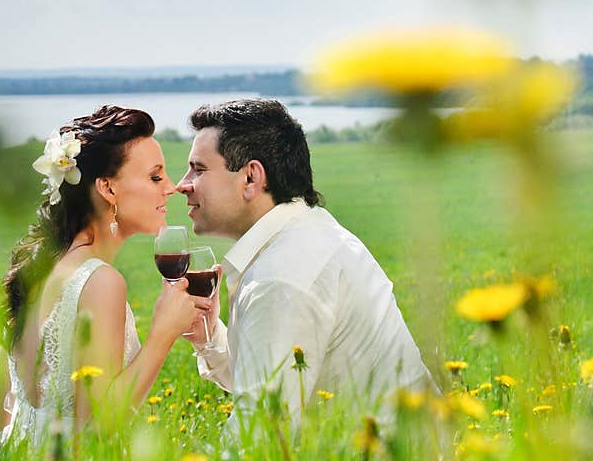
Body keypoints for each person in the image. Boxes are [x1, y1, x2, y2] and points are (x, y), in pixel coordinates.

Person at [176, 98, 437, 435]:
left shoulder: (281, 277)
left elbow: (258, 437)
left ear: (251, 177)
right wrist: (208, 338)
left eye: (199, 169)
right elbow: (279, 380)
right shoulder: (307, 234)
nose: (182, 184)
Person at [0, 104, 202, 450]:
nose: (171, 188)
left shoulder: (38, 269)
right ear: (107, 188)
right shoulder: (100, 281)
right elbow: (100, 422)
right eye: (155, 176)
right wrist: (163, 334)